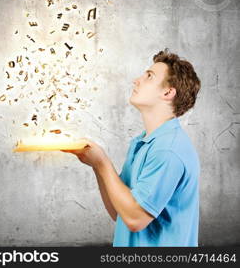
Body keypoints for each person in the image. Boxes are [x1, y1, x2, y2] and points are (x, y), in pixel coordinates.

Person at [61, 49, 201, 247]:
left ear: (168, 93)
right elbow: (120, 212)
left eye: (149, 76)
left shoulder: (168, 150)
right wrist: (95, 165)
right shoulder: (142, 142)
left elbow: (136, 219)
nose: (137, 80)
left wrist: (102, 164)